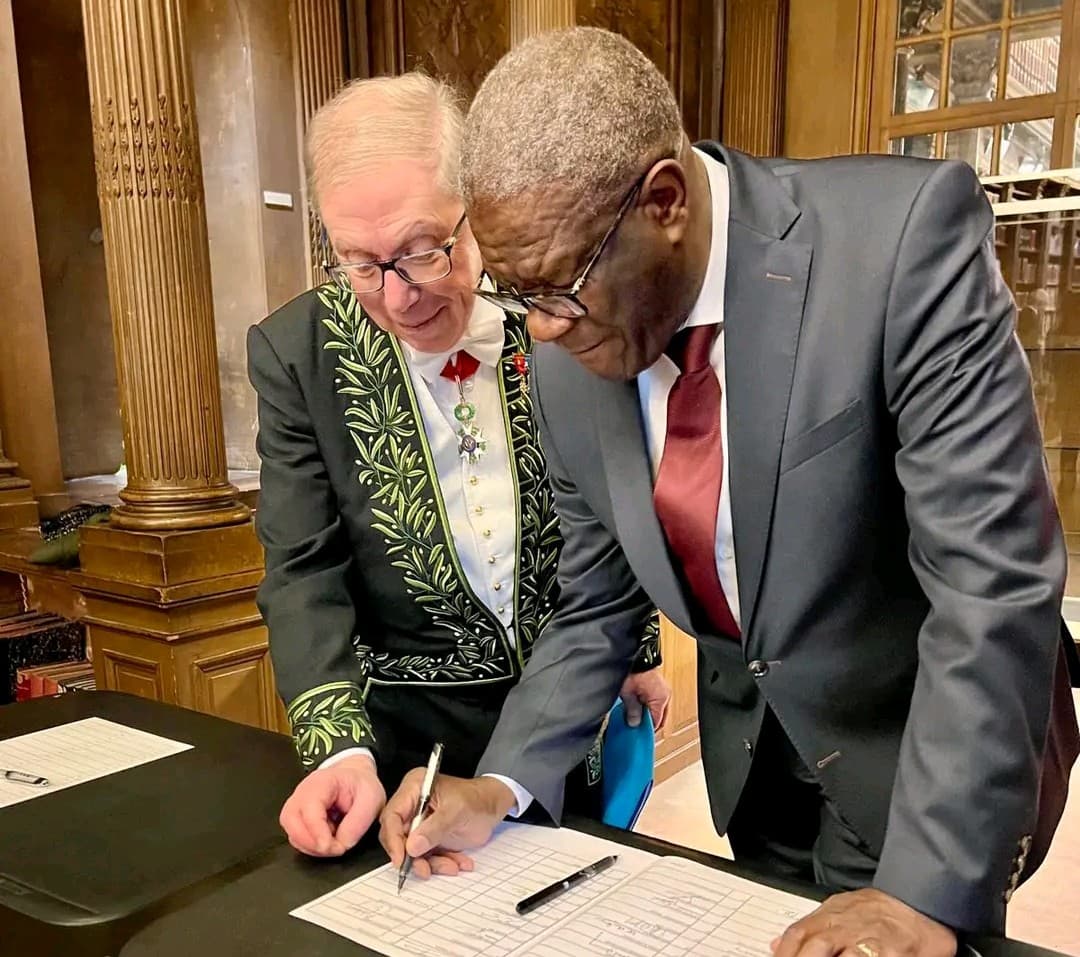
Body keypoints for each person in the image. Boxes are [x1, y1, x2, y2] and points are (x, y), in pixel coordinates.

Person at [378, 26, 1080, 951]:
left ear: (664, 201)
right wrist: (499, 785)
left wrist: (927, 888)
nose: (540, 330)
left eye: (559, 288)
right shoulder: (566, 351)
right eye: (517, 295)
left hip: (923, 763)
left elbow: (992, 583)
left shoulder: (900, 242)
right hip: (757, 773)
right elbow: (595, 605)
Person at [247, 71, 669, 863]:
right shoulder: (298, 354)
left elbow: (610, 499)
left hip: (562, 723)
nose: (398, 297)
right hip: (407, 760)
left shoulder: (553, 304)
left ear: (474, 207)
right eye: (361, 264)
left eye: (420, 252)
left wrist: (637, 651)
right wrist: (340, 751)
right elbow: (302, 569)